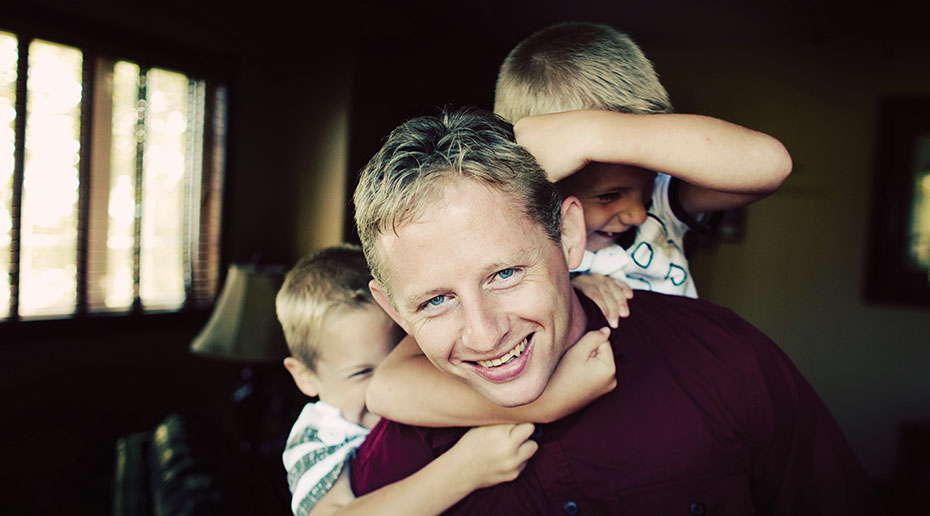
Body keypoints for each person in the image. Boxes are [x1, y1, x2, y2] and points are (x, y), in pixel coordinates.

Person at [349, 107, 884, 514]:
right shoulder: (396, 460)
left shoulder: (726, 363)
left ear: (571, 235)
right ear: (394, 310)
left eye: (505, 274)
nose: (485, 336)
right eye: (436, 301)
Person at [275, 244, 616, 516]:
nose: (387, 383)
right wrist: (466, 468)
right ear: (305, 377)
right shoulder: (317, 439)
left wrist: (574, 286)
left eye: (402, 358)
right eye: (361, 373)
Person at [495, 21, 793, 299]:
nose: (638, 215)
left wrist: (597, 135)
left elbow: (772, 164)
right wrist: (572, 294)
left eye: (648, 190)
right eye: (609, 196)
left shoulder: (663, 206)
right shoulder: (520, 233)